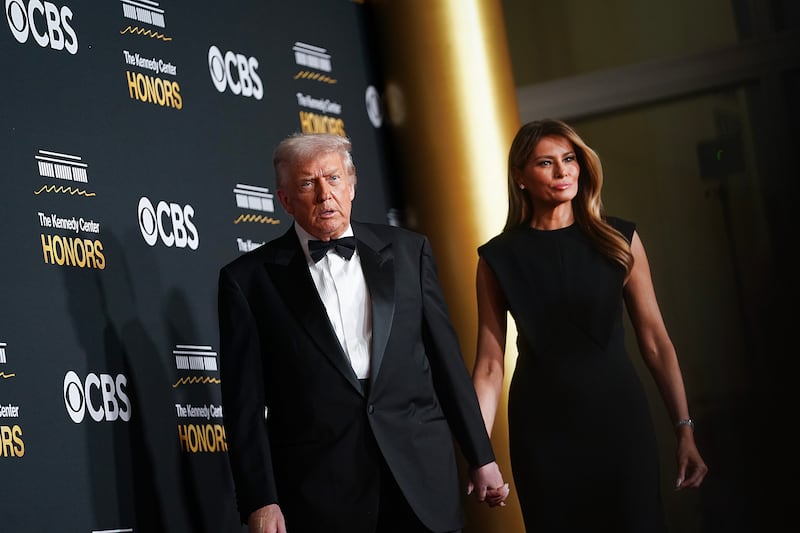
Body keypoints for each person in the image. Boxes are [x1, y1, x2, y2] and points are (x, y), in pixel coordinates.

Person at [218, 132, 509, 533]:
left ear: (352, 185)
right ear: (284, 200)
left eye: (334, 179)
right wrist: (260, 501)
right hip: (320, 491)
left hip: (421, 477)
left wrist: (481, 456)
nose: (325, 195)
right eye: (307, 183)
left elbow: (447, 365)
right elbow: (243, 406)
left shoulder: (410, 252)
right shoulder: (248, 281)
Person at [471, 119, 708, 532]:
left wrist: (684, 428)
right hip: (541, 433)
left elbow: (655, 340)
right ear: (520, 177)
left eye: (569, 159)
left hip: (620, 424)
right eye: (546, 163)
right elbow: (490, 366)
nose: (564, 172)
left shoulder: (619, 239)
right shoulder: (497, 258)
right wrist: (480, 454)